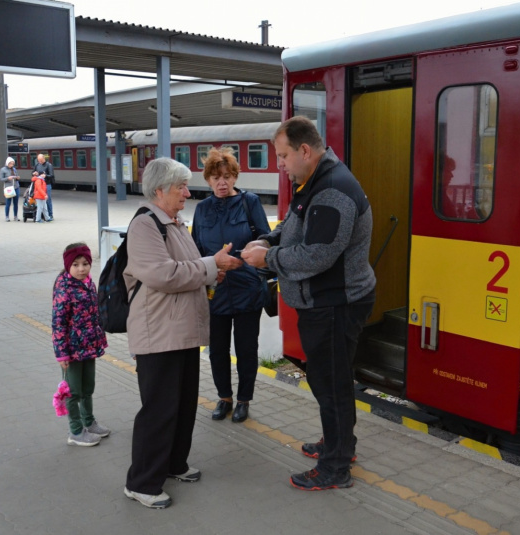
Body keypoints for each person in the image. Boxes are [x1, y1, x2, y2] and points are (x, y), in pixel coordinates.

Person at [242, 116, 376, 491]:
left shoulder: (332, 190)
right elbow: (293, 226)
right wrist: (267, 241)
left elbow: (317, 255)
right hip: (326, 302)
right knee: (328, 379)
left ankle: (336, 466)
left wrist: (267, 259)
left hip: (335, 304)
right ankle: (338, 444)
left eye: (283, 156)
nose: (280, 164)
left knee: (330, 383)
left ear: (304, 150)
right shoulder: (314, 181)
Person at [123, 157, 242, 509]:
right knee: (159, 409)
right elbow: (163, 274)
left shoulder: (174, 224)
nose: (188, 193)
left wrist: (212, 271)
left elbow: (188, 269)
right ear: (160, 190)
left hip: (182, 331)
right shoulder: (144, 225)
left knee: (183, 403)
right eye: (181, 187)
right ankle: (142, 482)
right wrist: (211, 265)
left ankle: (174, 463)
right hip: (159, 334)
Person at [192, 147, 271, 424]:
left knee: (247, 349)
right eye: (216, 178)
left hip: (248, 289)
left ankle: (244, 399)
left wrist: (251, 268)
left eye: (227, 176)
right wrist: (209, 271)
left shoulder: (250, 202)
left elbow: (267, 241)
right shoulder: (202, 209)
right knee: (217, 350)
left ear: (235, 177)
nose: (222, 182)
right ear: (208, 180)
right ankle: (224, 397)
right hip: (216, 290)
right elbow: (196, 249)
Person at [52, 242, 109, 446]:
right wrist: (61, 353)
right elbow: (58, 323)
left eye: (85, 264)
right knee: (73, 392)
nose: (81, 269)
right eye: (75, 265)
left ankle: (89, 422)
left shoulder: (88, 283)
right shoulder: (64, 288)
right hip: (72, 352)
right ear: (68, 265)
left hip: (89, 347)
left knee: (87, 388)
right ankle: (75, 431)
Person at [33, 153, 54, 221]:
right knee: (41, 201)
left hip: (47, 184)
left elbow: (51, 175)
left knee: (47, 199)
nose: (40, 161)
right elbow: (33, 172)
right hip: (39, 184)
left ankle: (50, 214)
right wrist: (34, 173)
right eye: (38, 160)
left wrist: (45, 176)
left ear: (44, 158)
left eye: (41, 160)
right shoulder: (37, 165)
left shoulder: (49, 165)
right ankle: (43, 215)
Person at [0, 157, 20, 221]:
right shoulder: (3, 169)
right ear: (7, 163)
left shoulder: (14, 169)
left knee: (16, 203)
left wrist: (17, 177)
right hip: (8, 188)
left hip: (16, 187)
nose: (12, 165)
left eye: (13, 164)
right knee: (8, 203)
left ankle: (15, 216)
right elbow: (1, 179)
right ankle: (7, 216)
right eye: (10, 163)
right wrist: (8, 178)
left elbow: (16, 176)